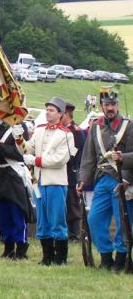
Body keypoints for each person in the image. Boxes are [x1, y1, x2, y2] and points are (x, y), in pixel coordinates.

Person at [78, 88, 133, 271]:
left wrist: (126, 177)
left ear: (118, 105)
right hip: (102, 179)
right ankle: (106, 256)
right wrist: (83, 180)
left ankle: (122, 258)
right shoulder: (96, 126)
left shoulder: (128, 125)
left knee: (122, 221)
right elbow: (89, 157)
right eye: (107, 104)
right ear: (101, 105)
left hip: (121, 180)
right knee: (94, 219)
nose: (110, 108)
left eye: (113, 104)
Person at [24, 97, 75, 265]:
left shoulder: (66, 134)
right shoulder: (39, 131)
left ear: (60, 114)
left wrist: (36, 161)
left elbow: (60, 160)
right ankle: (47, 256)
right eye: (47, 109)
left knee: (57, 220)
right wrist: (18, 138)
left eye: (52, 110)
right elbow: (27, 148)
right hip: (39, 182)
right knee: (42, 221)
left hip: (55, 182)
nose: (47, 112)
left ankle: (61, 257)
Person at [0, 120, 33, 259]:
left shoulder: (18, 126)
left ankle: (21, 247)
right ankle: (8, 247)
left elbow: (21, 152)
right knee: (3, 215)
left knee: (17, 212)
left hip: (14, 174)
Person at [62, 103, 86, 243]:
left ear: (66, 114)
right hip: (61, 172)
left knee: (72, 204)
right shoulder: (63, 130)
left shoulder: (75, 132)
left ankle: (74, 234)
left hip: (71, 171)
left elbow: (75, 154)